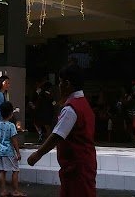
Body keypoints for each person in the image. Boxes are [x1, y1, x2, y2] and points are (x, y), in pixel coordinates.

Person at [27, 64, 96, 197]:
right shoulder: (84, 104)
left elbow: (57, 135)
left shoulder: (71, 108)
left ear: (67, 83)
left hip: (75, 166)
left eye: (60, 82)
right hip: (84, 162)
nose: (59, 85)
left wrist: (37, 154)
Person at [0, 101, 26, 197]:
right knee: (15, 170)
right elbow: (14, 140)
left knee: (2, 171)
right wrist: (18, 152)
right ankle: (15, 190)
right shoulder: (11, 126)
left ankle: (3, 191)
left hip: (0, 151)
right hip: (9, 152)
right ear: (11, 114)